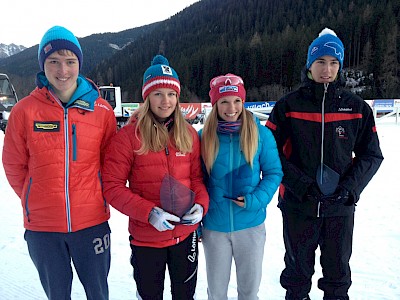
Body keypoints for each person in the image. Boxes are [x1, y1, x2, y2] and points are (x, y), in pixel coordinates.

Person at [266, 28, 384, 300]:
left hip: (339, 208)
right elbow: (270, 153)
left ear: (340, 66)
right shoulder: (288, 106)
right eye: (320, 62)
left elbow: (371, 155)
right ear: (310, 64)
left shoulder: (356, 108)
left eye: (334, 63)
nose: (327, 69)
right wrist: (301, 186)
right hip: (298, 205)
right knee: (296, 275)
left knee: (338, 276)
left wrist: (349, 189)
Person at [2, 26, 117, 300]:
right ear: (43, 65)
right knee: (57, 295)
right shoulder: (24, 111)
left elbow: (111, 164)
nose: (62, 70)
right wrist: (37, 196)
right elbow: (14, 165)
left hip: (92, 223)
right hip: (43, 228)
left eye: (70, 61)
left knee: (98, 293)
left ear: (79, 64)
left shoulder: (101, 111)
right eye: (53, 61)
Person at [101, 54, 209, 299]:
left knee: (185, 294)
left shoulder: (189, 134)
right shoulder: (128, 137)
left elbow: (197, 180)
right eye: (158, 93)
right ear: (147, 97)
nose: (166, 101)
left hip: (185, 234)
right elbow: (112, 186)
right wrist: (149, 213)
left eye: (171, 94)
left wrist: (201, 206)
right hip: (147, 239)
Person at [199, 73, 283, 300]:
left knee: (248, 292)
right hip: (215, 228)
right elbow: (195, 180)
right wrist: (197, 216)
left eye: (237, 101)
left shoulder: (261, 134)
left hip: (250, 226)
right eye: (224, 101)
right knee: (216, 293)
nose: (231, 107)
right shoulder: (202, 137)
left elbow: (274, 173)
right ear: (215, 104)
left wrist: (255, 200)